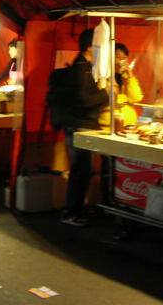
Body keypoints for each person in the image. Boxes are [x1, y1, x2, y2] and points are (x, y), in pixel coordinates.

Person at [60, 28, 109, 226]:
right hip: (78, 126)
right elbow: (82, 100)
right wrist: (106, 94)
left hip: (84, 125)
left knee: (83, 170)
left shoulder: (88, 67)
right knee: (80, 170)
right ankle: (71, 213)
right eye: (100, 46)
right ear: (90, 47)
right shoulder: (81, 69)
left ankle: (78, 208)